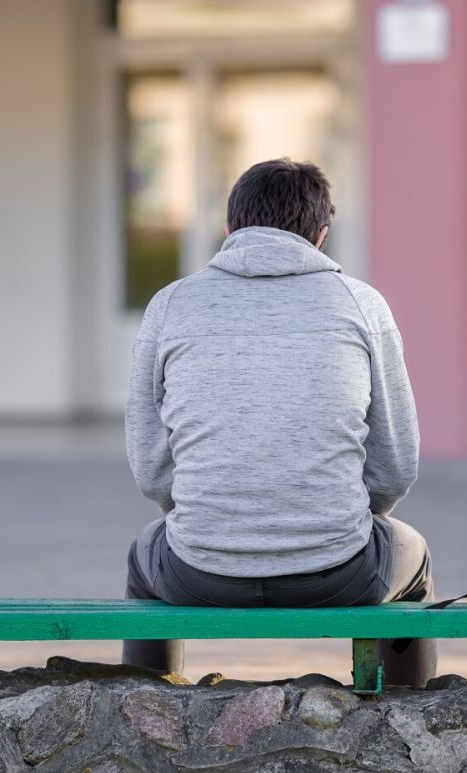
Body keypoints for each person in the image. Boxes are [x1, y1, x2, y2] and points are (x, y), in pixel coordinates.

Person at [122, 158, 437, 688]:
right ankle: (405, 717)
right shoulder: (361, 305)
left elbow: (152, 468)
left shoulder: (171, 305)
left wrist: (214, 521)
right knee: (416, 555)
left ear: (230, 229)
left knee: (143, 555)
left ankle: (149, 713)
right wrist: (341, 519)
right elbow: (396, 466)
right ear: (321, 235)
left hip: (198, 573)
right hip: (341, 572)